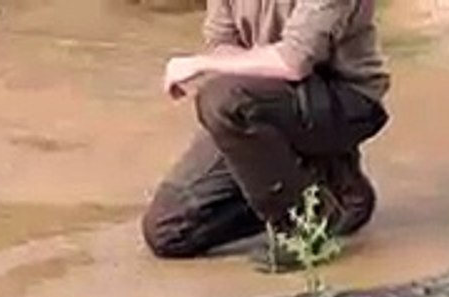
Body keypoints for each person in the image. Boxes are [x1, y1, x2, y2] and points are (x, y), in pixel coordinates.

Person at [141, 0, 391, 262]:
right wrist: (230, 65)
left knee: (223, 100)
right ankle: (331, 189)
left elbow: (293, 62)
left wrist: (201, 64)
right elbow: (223, 45)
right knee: (167, 231)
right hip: (260, 99)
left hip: (345, 100)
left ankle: (306, 227)